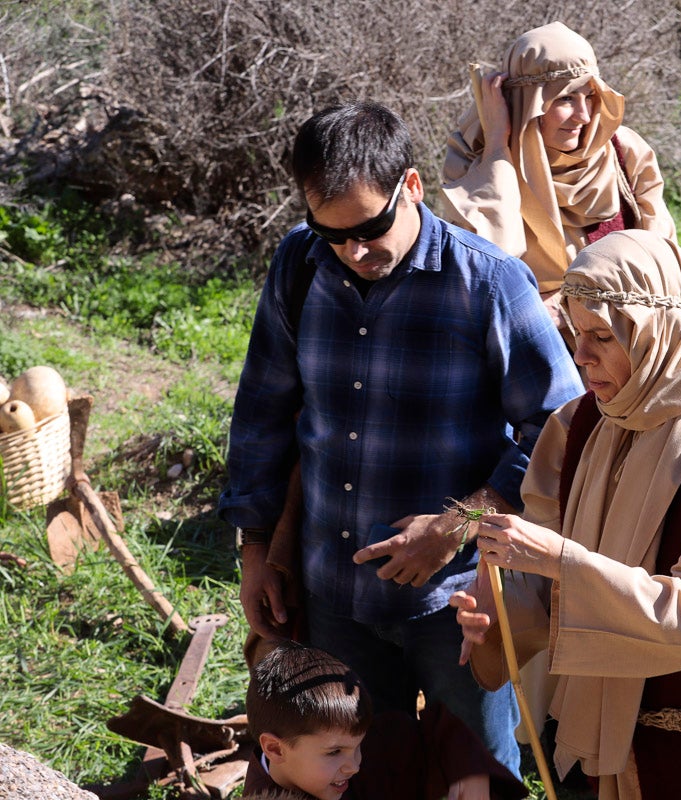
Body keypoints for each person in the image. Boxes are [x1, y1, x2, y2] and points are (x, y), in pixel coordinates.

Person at [218, 101, 584, 778]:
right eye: (332, 234)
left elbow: (561, 428)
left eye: (370, 228)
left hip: (457, 607)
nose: (353, 252)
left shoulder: (489, 284)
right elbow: (263, 414)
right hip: (334, 598)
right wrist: (256, 553)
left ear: (411, 187)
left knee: (475, 777)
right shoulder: (301, 266)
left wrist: (460, 523)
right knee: (359, 776)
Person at [450, 230, 681, 799]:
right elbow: (546, 588)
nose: (580, 355)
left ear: (658, 335)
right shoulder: (577, 428)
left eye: (602, 336)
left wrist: (559, 560)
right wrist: (498, 615)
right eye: (574, 333)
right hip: (606, 746)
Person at [441, 21, 676, 331]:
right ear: (525, 102)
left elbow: (663, 266)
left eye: (589, 96)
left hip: (627, 342)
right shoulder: (472, 159)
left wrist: (569, 306)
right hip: (530, 350)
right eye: (566, 98)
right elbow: (486, 271)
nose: (584, 115)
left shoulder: (624, 151)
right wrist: (499, 147)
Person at [243, 641, 527, 800]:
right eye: (334, 753)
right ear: (276, 749)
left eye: (358, 746)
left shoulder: (350, 741)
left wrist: (470, 772)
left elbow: (433, 736)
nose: (354, 765)